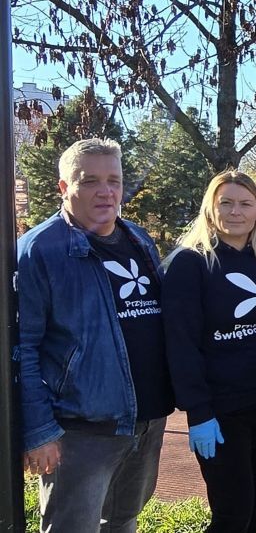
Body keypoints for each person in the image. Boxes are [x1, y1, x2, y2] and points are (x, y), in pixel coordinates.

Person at [18, 138, 173, 532]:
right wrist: (38, 431)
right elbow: (22, 347)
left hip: (146, 420)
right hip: (81, 431)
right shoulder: (39, 251)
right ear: (63, 187)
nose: (105, 192)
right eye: (89, 181)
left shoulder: (138, 239)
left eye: (113, 180)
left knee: (123, 521)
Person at [161, 171, 256, 533]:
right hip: (220, 414)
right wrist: (198, 412)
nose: (235, 211)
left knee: (253, 513)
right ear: (211, 209)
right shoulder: (190, 264)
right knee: (232, 516)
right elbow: (181, 342)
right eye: (226, 203)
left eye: (245, 203)